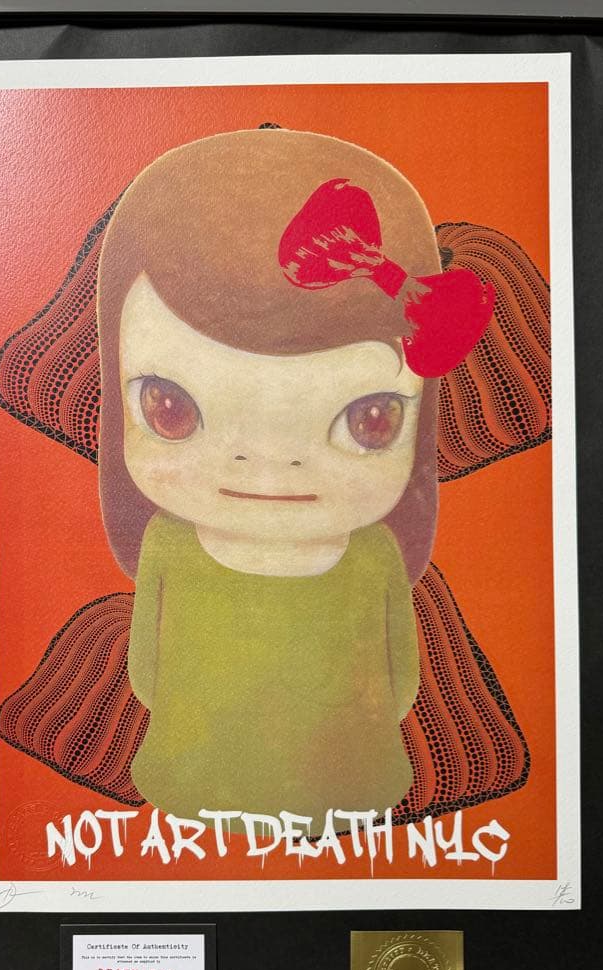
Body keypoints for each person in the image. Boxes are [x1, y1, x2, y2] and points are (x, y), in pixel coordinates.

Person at [95, 129, 493, 821]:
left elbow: (149, 677)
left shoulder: (364, 555)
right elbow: (398, 685)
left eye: (368, 419)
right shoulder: (181, 545)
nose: (269, 461)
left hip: (273, 778)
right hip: (259, 781)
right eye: (171, 408)